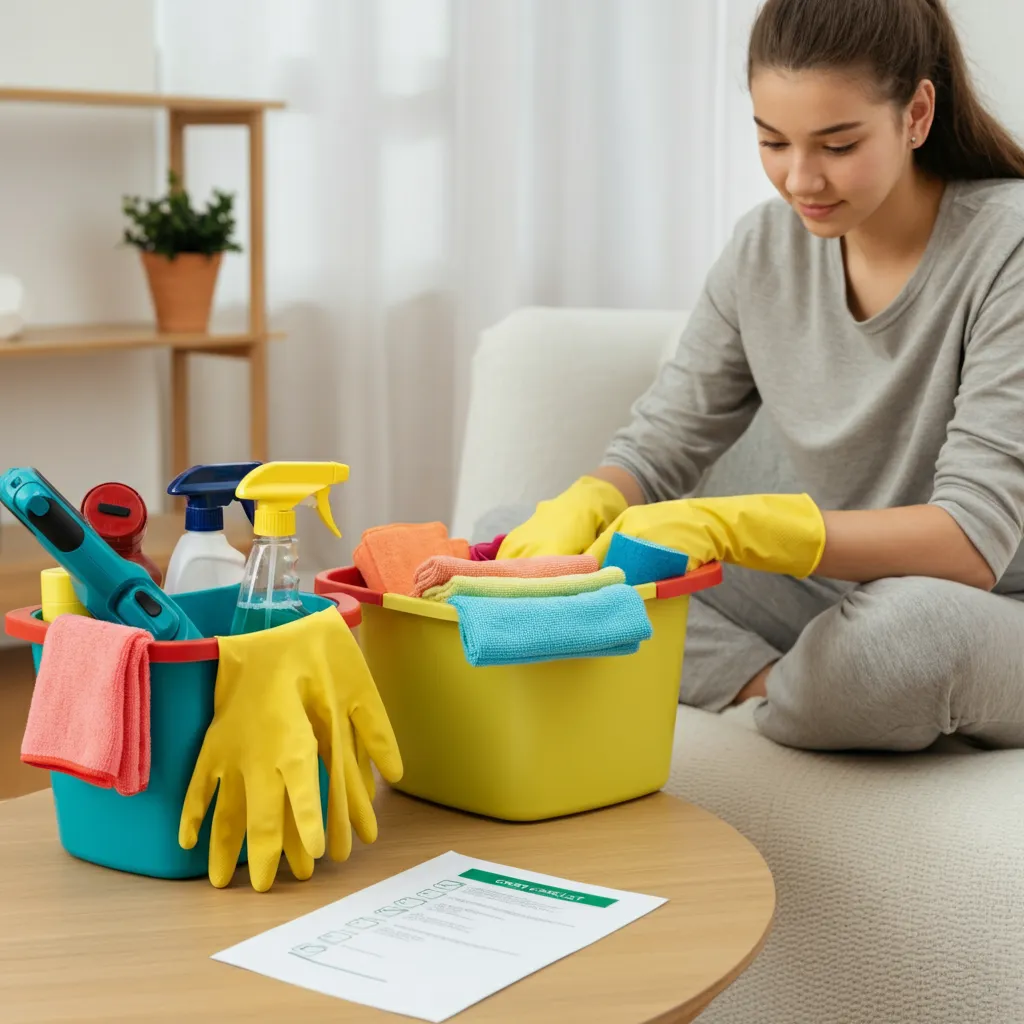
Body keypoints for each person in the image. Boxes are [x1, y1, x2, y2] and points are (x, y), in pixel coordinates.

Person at [490, 0, 1024, 753]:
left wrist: (728, 526)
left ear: (917, 114)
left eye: (837, 144)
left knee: (903, 640)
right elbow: (659, 447)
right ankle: (788, 688)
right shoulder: (763, 248)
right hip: (822, 594)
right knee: (507, 543)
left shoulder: (1010, 246)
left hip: (985, 607)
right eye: (773, 141)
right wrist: (596, 498)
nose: (800, 179)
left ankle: (841, 684)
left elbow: (973, 541)